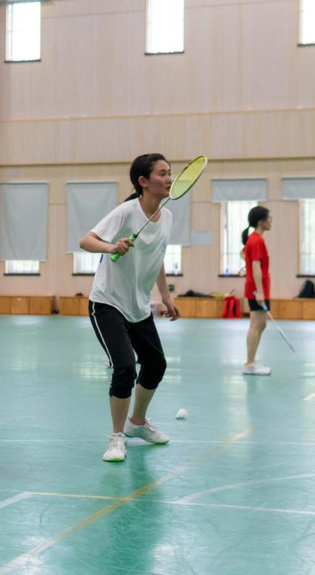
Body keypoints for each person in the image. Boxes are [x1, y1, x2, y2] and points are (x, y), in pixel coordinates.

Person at [79, 153, 181, 462]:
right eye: (162, 173)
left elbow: (157, 256)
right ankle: (117, 437)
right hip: (107, 303)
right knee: (124, 366)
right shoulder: (126, 212)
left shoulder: (167, 217)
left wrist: (165, 296)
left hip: (138, 305)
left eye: (170, 172)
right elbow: (86, 240)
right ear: (143, 181)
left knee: (156, 364)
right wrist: (112, 245)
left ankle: (137, 422)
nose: (169, 178)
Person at [241, 206, 272, 375]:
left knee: (262, 324)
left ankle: (252, 360)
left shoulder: (254, 239)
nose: (271, 221)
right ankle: (249, 364)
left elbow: (244, 255)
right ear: (261, 222)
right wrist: (259, 291)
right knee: (256, 324)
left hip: (260, 288)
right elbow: (255, 265)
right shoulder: (256, 240)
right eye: (269, 218)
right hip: (257, 290)